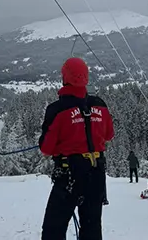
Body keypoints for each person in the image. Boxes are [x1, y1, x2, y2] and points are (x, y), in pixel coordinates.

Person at [38, 57, 115, 240]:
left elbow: (46, 148)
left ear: (65, 77)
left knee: (53, 229)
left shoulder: (57, 109)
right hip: (96, 173)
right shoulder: (99, 105)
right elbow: (109, 135)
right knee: (91, 227)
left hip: (69, 176)